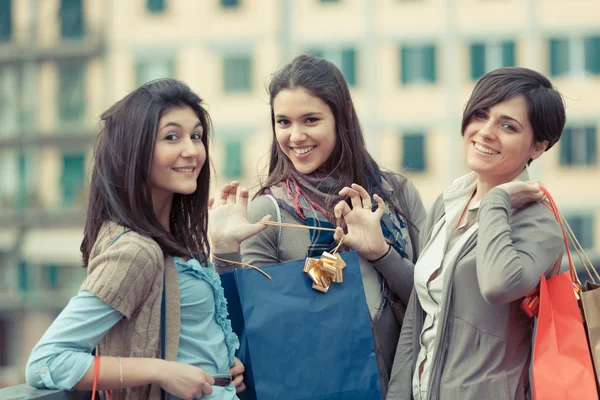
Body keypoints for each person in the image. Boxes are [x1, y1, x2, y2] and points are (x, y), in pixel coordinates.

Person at [25, 79, 267, 400]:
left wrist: (221, 371)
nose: (191, 150)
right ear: (135, 151)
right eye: (172, 137)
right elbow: (46, 361)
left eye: (196, 136)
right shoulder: (134, 251)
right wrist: (160, 370)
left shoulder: (179, 242)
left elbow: (192, 335)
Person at [209, 54, 427, 397]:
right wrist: (223, 250)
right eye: (283, 122)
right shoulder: (270, 212)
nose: (296, 136)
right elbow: (252, 330)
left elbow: (433, 297)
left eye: (311, 119)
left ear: (343, 118)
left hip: (409, 385)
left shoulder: (396, 195)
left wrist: (380, 253)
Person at [385, 67, 566, 400]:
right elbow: (420, 316)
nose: (485, 132)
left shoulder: (538, 224)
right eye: (481, 115)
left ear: (538, 147)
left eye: (508, 126)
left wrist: (496, 201)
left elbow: (500, 284)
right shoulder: (448, 203)